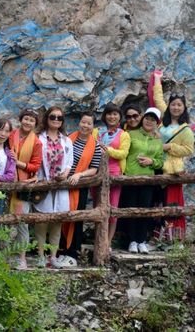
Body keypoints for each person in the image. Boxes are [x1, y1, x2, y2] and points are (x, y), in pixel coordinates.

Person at [153, 72, 195, 243]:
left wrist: (170, 147)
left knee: (171, 202)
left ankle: (173, 239)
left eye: (179, 105)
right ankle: (156, 237)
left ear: (184, 108)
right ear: (169, 106)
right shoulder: (164, 120)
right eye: (173, 104)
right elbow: (158, 99)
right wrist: (157, 79)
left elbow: (188, 150)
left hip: (172, 169)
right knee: (157, 201)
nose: (176, 107)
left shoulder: (186, 130)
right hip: (156, 165)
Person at [59, 111, 102, 264]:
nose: (85, 125)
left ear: (93, 126)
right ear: (79, 123)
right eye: (83, 122)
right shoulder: (68, 139)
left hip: (79, 187)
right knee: (61, 216)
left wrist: (79, 174)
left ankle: (72, 254)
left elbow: (94, 169)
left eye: (89, 123)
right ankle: (60, 251)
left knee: (76, 219)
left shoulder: (95, 146)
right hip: (62, 184)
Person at [120, 107, 163, 254]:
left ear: (157, 123)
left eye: (153, 120)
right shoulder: (131, 134)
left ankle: (141, 240)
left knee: (145, 210)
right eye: (147, 118)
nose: (149, 122)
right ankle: (132, 240)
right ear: (142, 119)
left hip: (147, 179)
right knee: (131, 209)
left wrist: (151, 161)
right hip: (131, 177)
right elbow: (124, 153)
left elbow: (160, 161)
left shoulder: (157, 141)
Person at [34, 106, 74, 268]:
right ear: (46, 118)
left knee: (57, 222)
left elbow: (70, 161)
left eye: (59, 117)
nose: (56, 120)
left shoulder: (66, 140)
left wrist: (65, 174)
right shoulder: (39, 138)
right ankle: (40, 256)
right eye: (53, 117)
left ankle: (53, 257)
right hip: (43, 183)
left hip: (60, 185)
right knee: (41, 222)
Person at [8, 108, 42, 270]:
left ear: (35, 124)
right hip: (7, 181)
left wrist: (18, 163)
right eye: (26, 119)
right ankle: (5, 255)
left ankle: (22, 258)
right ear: (20, 119)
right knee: (4, 221)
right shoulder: (10, 135)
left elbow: (36, 165)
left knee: (22, 222)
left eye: (31, 120)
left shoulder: (36, 142)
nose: (28, 122)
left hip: (23, 186)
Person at [98, 103, 130, 247]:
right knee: (98, 206)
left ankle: (108, 241)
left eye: (115, 114)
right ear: (105, 116)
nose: (112, 117)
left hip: (115, 173)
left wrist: (108, 149)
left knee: (113, 208)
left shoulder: (124, 134)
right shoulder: (98, 132)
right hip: (98, 172)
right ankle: (99, 238)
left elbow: (123, 153)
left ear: (119, 117)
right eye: (109, 114)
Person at [0, 117, 17, 215]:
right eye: (0, 130)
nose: (3, 134)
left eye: (7, 131)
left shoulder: (10, 154)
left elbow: (10, 176)